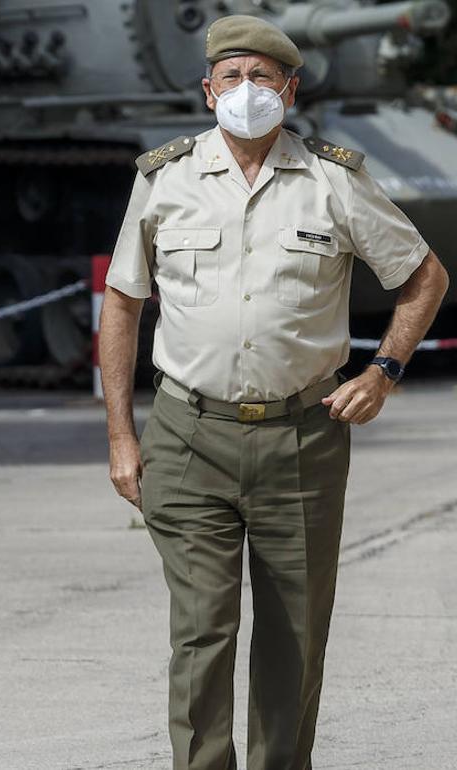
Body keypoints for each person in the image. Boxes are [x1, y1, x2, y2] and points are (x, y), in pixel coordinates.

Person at [98, 15, 449, 770]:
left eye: (264, 77)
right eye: (233, 76)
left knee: (294, 634)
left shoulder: (335, 178)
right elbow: (123, 303)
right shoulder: (164, 178)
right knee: (200, 633)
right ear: (207, 90)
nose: (247, 90)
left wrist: (381, 370)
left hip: (303, 436)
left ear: (290, 90)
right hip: (188, 436)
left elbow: (425, 276)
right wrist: (122, 438)